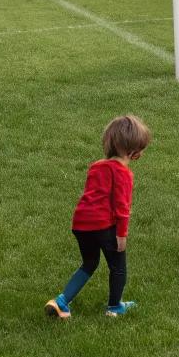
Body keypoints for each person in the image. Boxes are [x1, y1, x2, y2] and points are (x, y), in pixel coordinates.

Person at [45, 114, 150, 320]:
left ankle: (61, 302)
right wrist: (121, 235)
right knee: (118, 267)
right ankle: (115, 307)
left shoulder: (97, 166)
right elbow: (122, 207)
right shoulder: (123, 173)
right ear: (134, 151)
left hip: (81, 223)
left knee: (89, 263)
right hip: (103, 225)